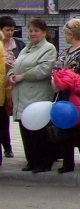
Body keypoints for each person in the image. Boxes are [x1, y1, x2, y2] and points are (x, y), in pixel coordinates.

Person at [7, 18, 56, 173]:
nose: (33, 34)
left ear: (44, 32)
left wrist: (22, 76)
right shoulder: (26, 48)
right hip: (22, 95)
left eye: (36, 31)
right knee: (25, 130)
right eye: (31, 31)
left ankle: (43, 162)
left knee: (38, 131)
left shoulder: (48, 48)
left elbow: (44, 69)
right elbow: (16, 65)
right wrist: (10, 76)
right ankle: (32, 160)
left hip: (37, 95)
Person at [52, 18, 80, 174]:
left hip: (79, 94)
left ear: (71, 34)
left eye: (66, 33)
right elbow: (57, 68)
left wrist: (64, 76)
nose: (65, 36)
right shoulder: (65, 51)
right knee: (65, 129)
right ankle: (67, 163)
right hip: (64, 93)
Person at [1, 15, 25, 159]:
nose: (10, 33)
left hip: (14, 84)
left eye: (12, 30)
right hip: (1, 85)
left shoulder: (19, 44)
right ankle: (7, 147)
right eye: (7, 30)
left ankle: (9, 147)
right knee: (2, 118)